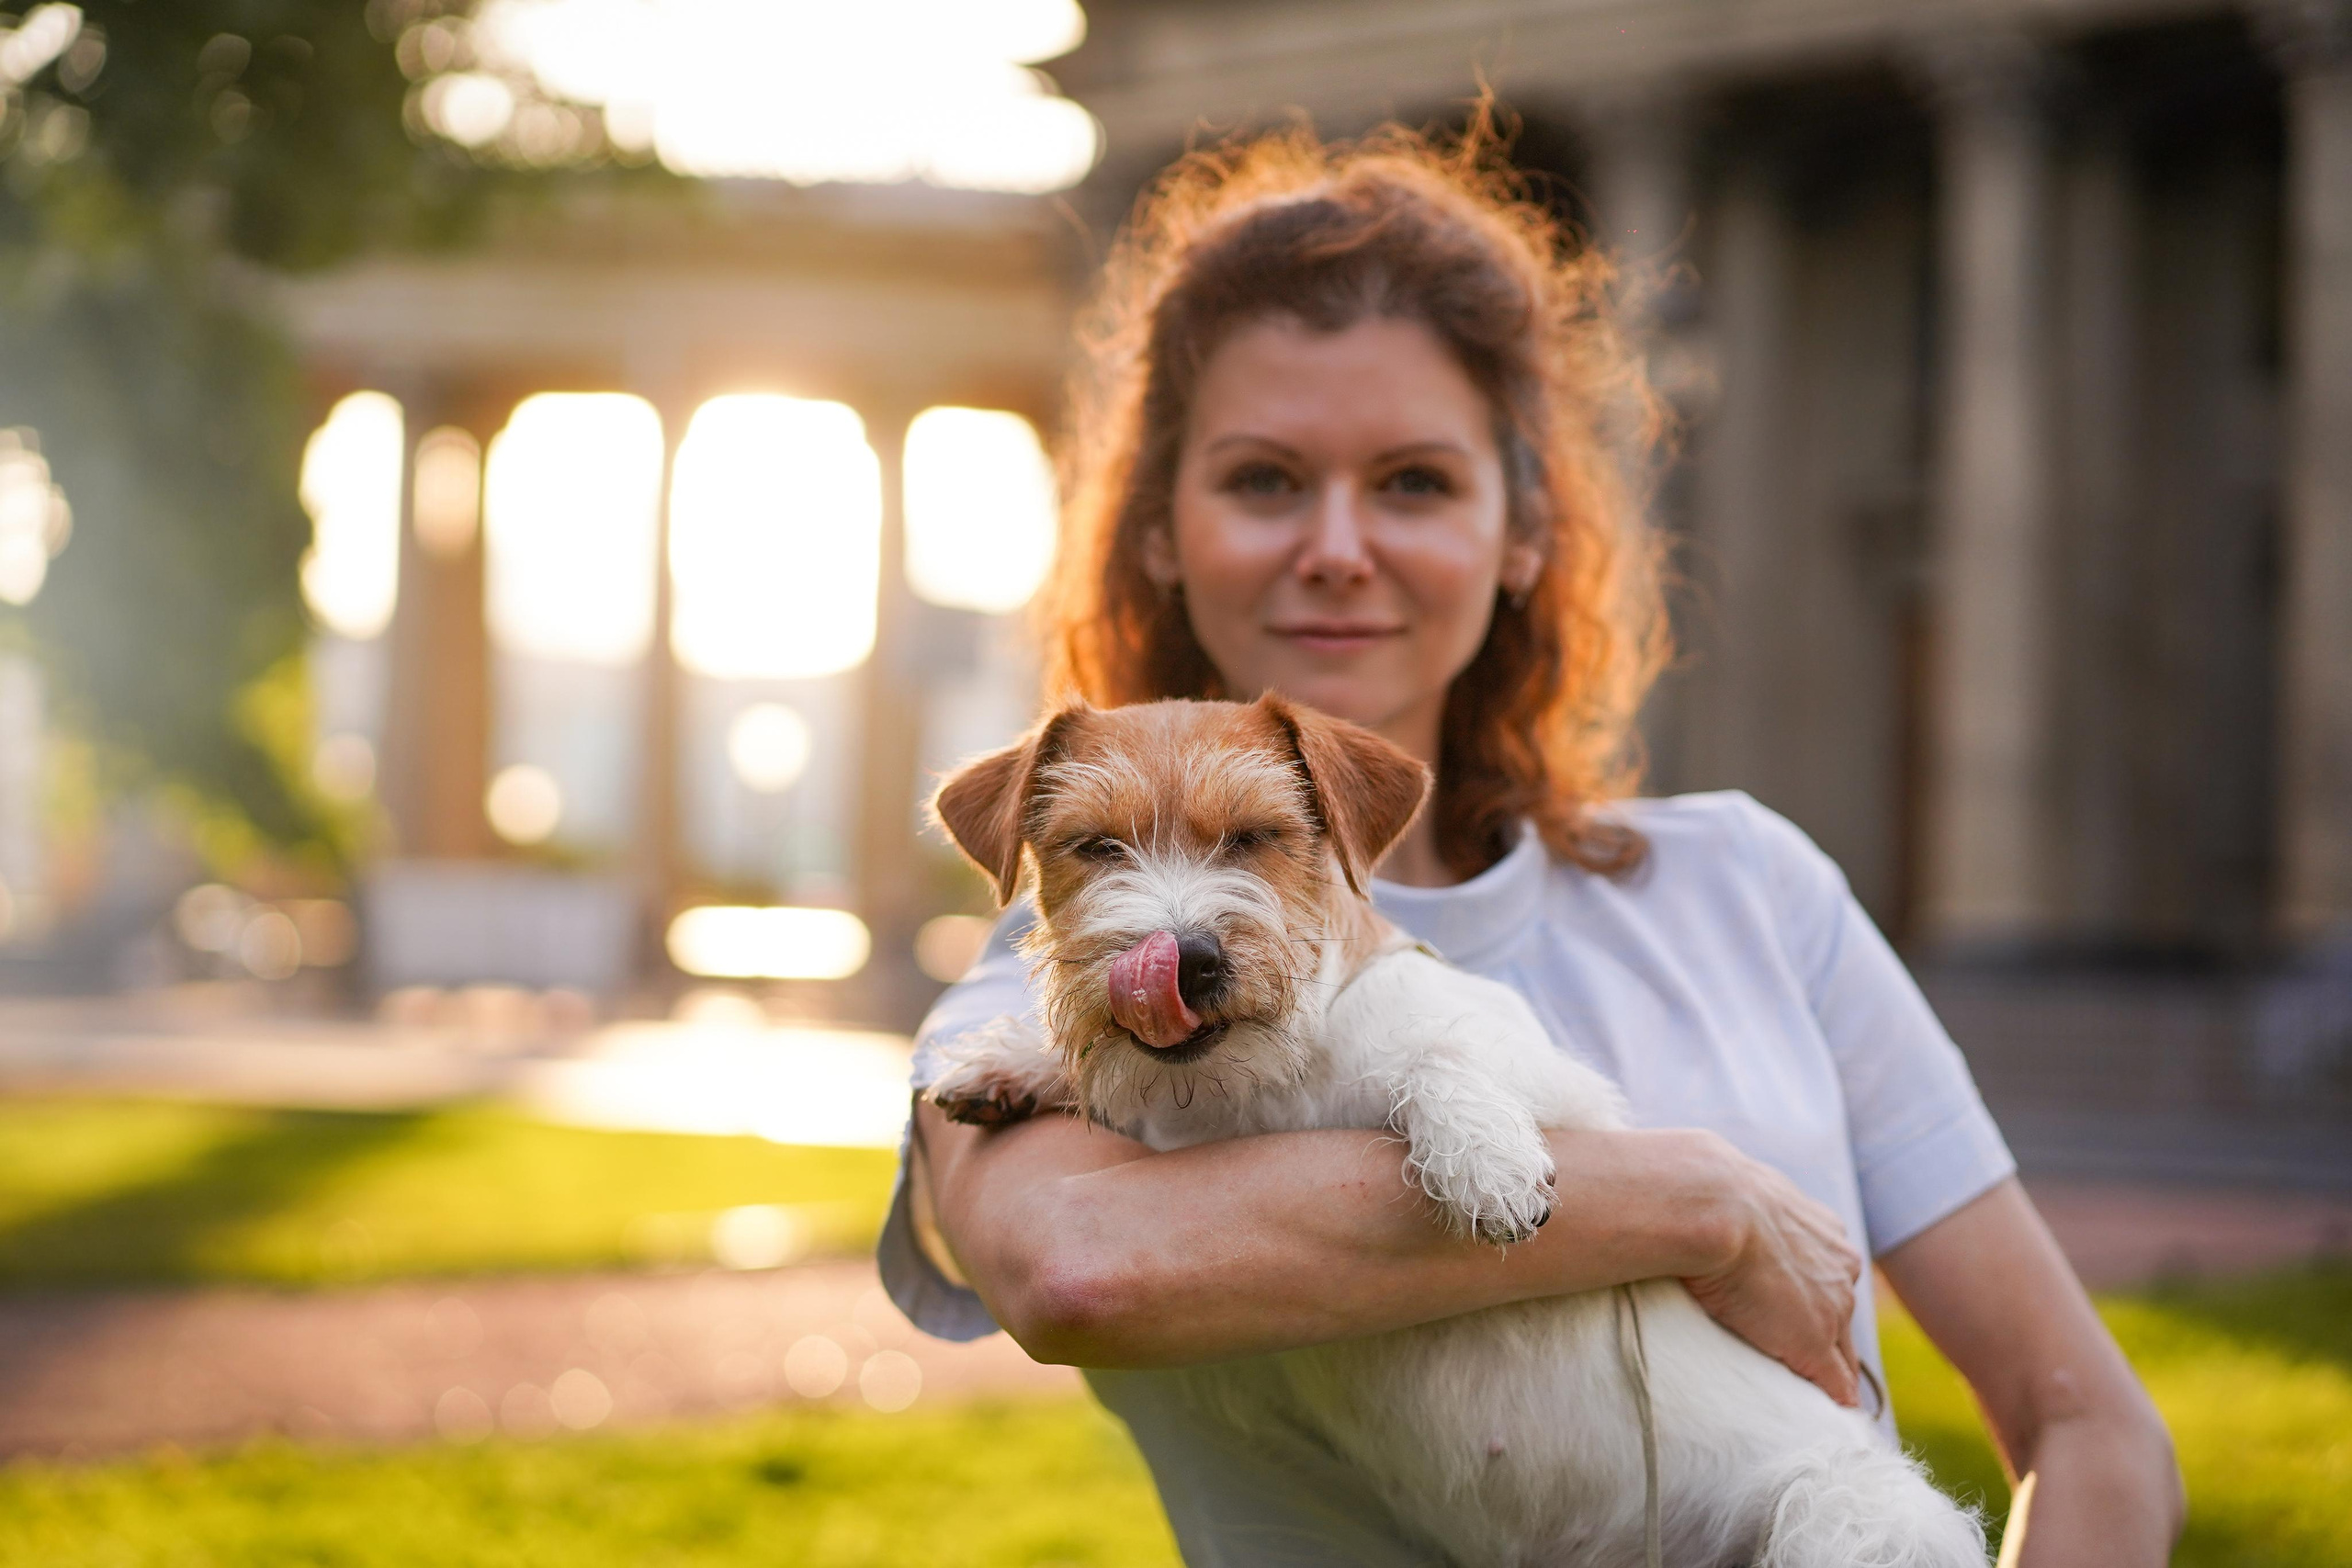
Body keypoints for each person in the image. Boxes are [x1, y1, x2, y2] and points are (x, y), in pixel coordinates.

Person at [876, 119, 2181, 1566]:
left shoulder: (1751, 888)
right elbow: (1079, 1270)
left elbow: (2091, 1427)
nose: (1338, 545)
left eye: (1416, 482)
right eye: (1262, 479)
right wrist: (1711, 1207)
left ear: (1522, 532)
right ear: (1160, 530)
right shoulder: (1043, 999)